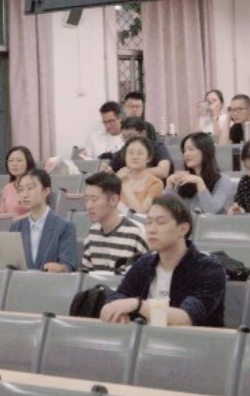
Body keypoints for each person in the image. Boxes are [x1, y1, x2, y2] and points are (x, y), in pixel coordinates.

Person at [100, 195, 228, 327]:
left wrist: (138, 305)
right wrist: (115, 310)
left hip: (193, 339)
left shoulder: (209, 269)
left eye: (160, 222)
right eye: (149, 222)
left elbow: (186, 318)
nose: (151, 230)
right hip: (147, 338)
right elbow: (118, 297)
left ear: (183, 229)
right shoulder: (144, 264)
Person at [80, 171, 150, 273]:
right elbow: (85, 276)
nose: (89, 206)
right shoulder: (92, 233)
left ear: (113, 200)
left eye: (94, 199)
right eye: (86, 199)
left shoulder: (136, 232)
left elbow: (148, 274)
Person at [13, 169, 80, 272]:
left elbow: (69, 265)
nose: (24, 195)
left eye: (30, 188)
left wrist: (61, 268)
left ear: (46, 191)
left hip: (51, 281)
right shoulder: (16, 227)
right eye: (21, 190)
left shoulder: (65, 227)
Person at [168, 132, 233, 214]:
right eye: (184, 150)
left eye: (191, 149)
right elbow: (170, 211)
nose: (186, 154)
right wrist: (169, 186)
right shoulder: (184, 179)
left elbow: (212, 210)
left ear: (205, 151)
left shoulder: (223, 180)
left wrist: (199, 182)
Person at [108, 117, 174, 179]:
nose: (127, 141)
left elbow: (163, 171)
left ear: (143, 133)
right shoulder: (123, 150)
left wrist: (133, 172)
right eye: (124, 137)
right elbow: (111, 170)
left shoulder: (158, 147)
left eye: (130, 136)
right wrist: (108, 171)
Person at [115, 135, 166, 215]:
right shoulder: (117, 179)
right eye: (130, 153)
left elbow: (140, 213)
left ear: (148, 158)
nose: (135, 157)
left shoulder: (155, 183)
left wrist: (124, 183)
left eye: (140, 153)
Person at [0, 145, 35, 219]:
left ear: (28, 163)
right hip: (7, 225)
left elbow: (39, 212)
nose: (14, 164)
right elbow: (1, 212)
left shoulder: (35, 186)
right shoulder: (7, 188)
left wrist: (15, 220)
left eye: (19, 160)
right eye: (11, 160)